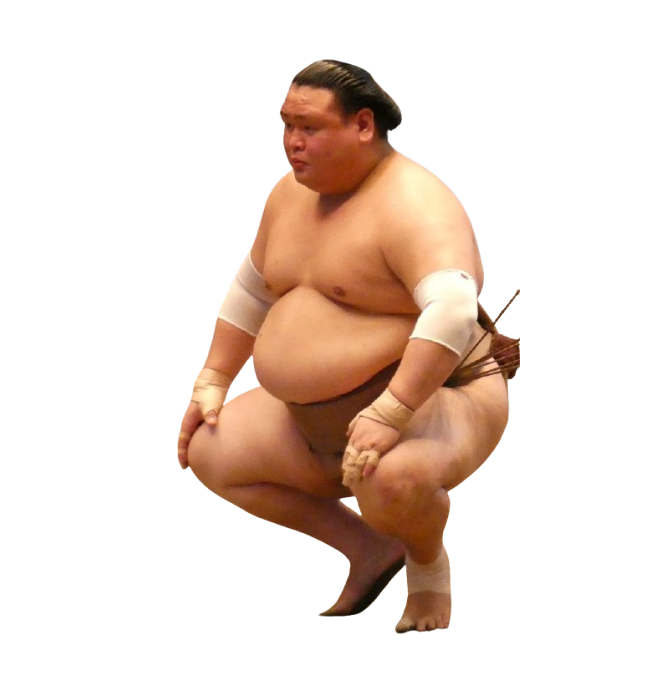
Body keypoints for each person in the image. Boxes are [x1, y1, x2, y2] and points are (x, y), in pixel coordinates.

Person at [177, 60, 519, 634]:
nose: (293, 142)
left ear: (363, 125)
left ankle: (428, 569)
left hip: (431, 402)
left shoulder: (414, 203)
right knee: (210, 452)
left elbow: (454, 310)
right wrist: (212, 380)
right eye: (287, 125)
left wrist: (392, 410)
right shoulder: (288, 195)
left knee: (392, 480)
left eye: (309, 127)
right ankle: (369, 547)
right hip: (308, 417)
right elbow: (252, 289)